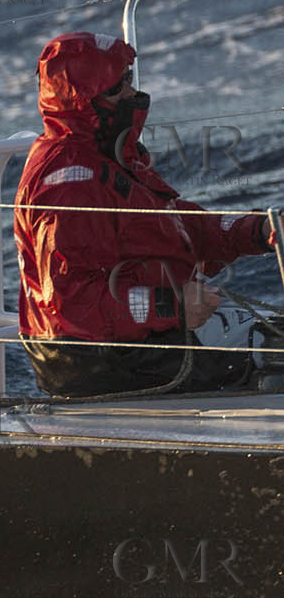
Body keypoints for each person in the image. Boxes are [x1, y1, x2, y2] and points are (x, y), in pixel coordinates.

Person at [14, 31, 273, 397]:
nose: (132, 95)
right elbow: (73, 307)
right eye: (117, 88)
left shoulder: (109, 156)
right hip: (107, 362)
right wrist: (173, 306)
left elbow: (177, 225)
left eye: (129, 80)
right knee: (273, 358)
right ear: (84, 103)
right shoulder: (68, 184)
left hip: (143, 342)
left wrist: (260, 230)